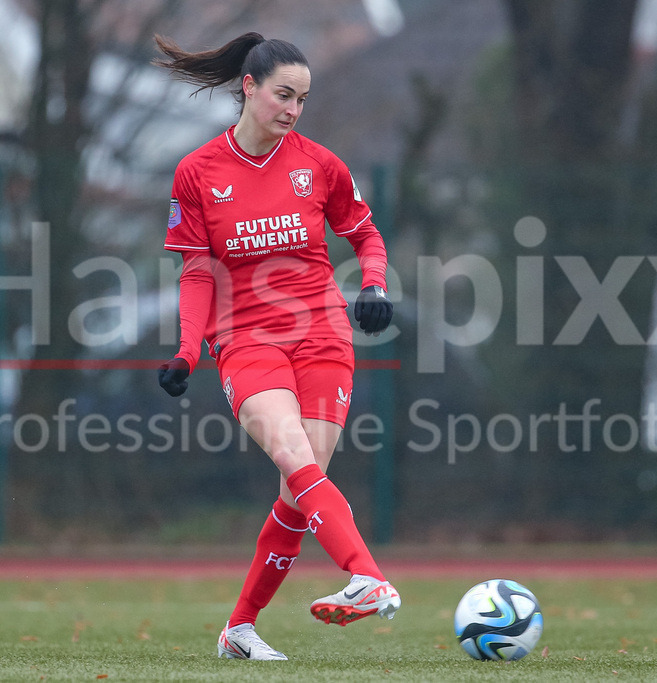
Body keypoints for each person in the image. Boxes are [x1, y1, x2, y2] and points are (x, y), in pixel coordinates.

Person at [153, 32, 399, 661]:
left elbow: (366, 237)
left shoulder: (319, 164)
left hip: (322, 333)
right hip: (244, 339)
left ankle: (239, 629)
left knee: (299, 488)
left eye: (302, 100)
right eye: (283, 95)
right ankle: (366, 575)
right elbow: (197, 273)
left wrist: (373, 286)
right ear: (249, 87)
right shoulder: (198, 172)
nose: (292, 109)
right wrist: (185, 352)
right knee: (294, 455)